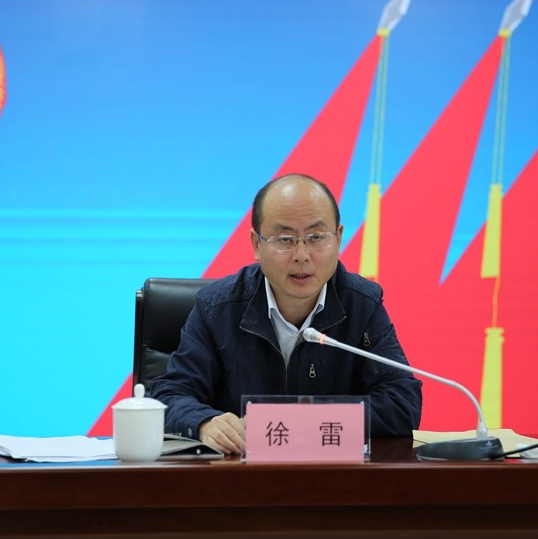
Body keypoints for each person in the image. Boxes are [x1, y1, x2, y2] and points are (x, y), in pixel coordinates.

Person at [149, 173, 422, 454]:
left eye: (316, 237)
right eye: (285, 239)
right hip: (238, 475)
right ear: (257, 244)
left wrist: (298, 421)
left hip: (334, 475)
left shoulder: (363, 304)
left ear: (338, 238)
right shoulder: (216, 308)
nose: (301, 255)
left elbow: (402, 403)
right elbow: (168, 396)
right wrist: (204, 423)